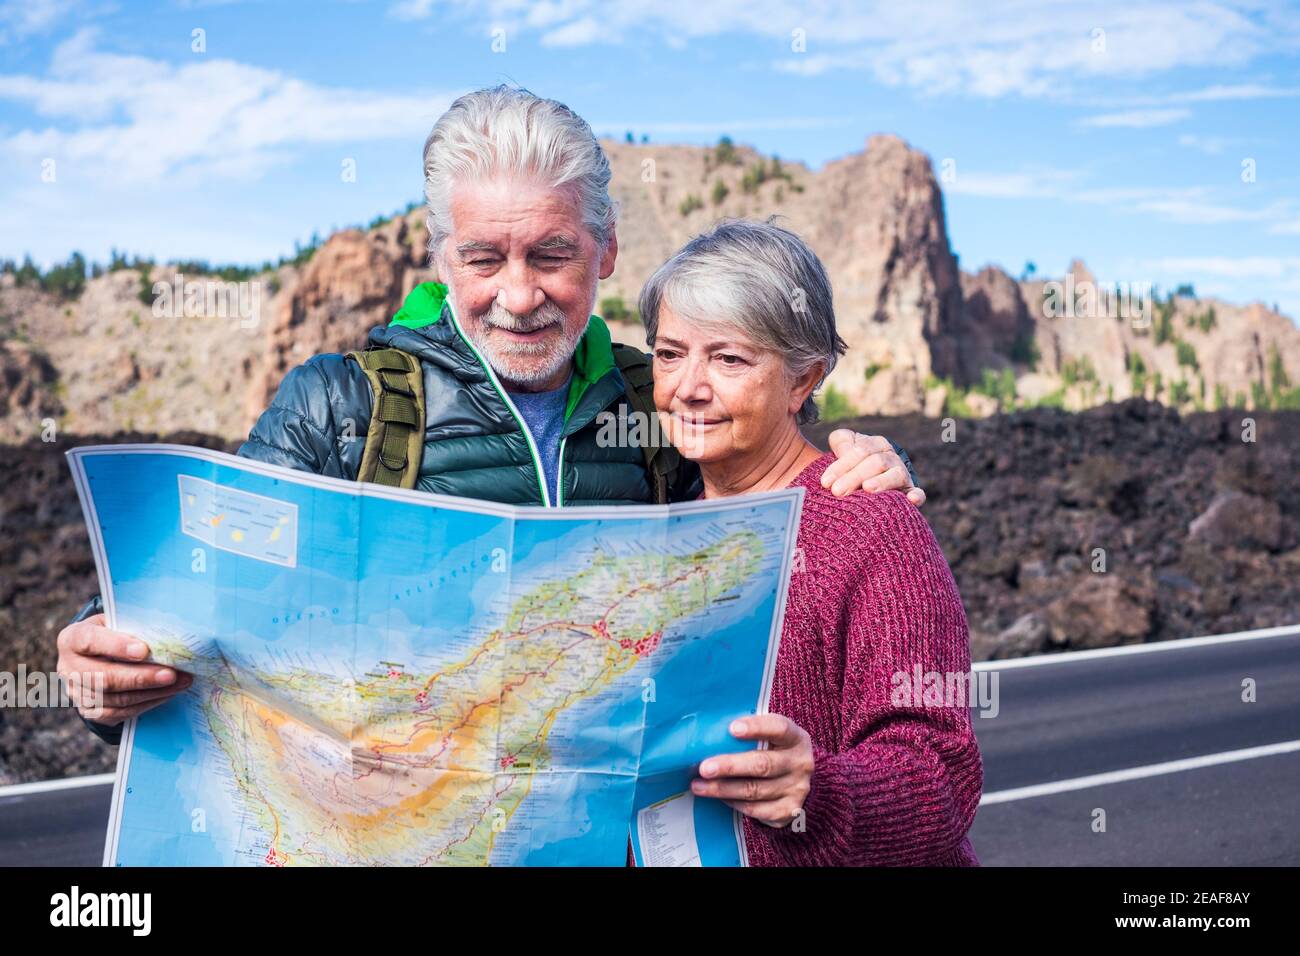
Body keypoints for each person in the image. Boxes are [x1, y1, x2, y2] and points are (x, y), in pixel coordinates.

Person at [57, 86, 924, 746]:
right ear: (440, 256)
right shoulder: (340, 403)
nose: (519, 296)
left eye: (553, 254)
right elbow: (188, 590)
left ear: (608, 249)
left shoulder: (650, 398)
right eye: (483, 258)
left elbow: (769, 459)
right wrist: (103, 654)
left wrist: (869, 472)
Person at [638, 218, 982, 865]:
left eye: (729, 358)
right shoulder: (656, 532)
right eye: (669, 352)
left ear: (803, 379)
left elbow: (942, 775)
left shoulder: (872, 526)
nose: (688, 386)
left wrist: (817, 790)